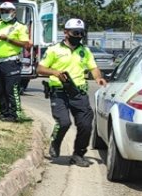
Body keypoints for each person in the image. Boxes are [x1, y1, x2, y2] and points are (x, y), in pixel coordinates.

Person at [37, 18, 107, 167]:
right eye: (75, 32)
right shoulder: (54, 50)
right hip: (59, 92)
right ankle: (55, 142)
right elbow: (40, 69)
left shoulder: (85, 51)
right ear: (66, 33)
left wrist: (98, 78)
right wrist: (55, 72)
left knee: (86, 125)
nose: (79, 35)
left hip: (78, 93)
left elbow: (93, 68)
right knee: (64, 122)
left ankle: (78, 154)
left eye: (81, 33)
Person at [0, 2, 32, 122]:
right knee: (0, 89)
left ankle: (15, 114)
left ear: (14, 12)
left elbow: (25, 44)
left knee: (11, 89)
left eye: (7, 11)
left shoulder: (20, 26)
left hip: (11, 62)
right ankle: (4, 113)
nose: (5, 13)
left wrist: (8, 39)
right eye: (3, 11)